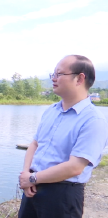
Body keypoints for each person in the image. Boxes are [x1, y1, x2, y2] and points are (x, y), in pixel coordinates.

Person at [18, 55, 108, 218]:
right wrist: (26, 175)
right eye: (53, 74)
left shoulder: (93, 120)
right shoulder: (52, 110)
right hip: (32, 187)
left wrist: (33, 178)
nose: (54, 79)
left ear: (80, 78)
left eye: (59, 74)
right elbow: (35, 144)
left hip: (62, 195)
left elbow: (75, 167)